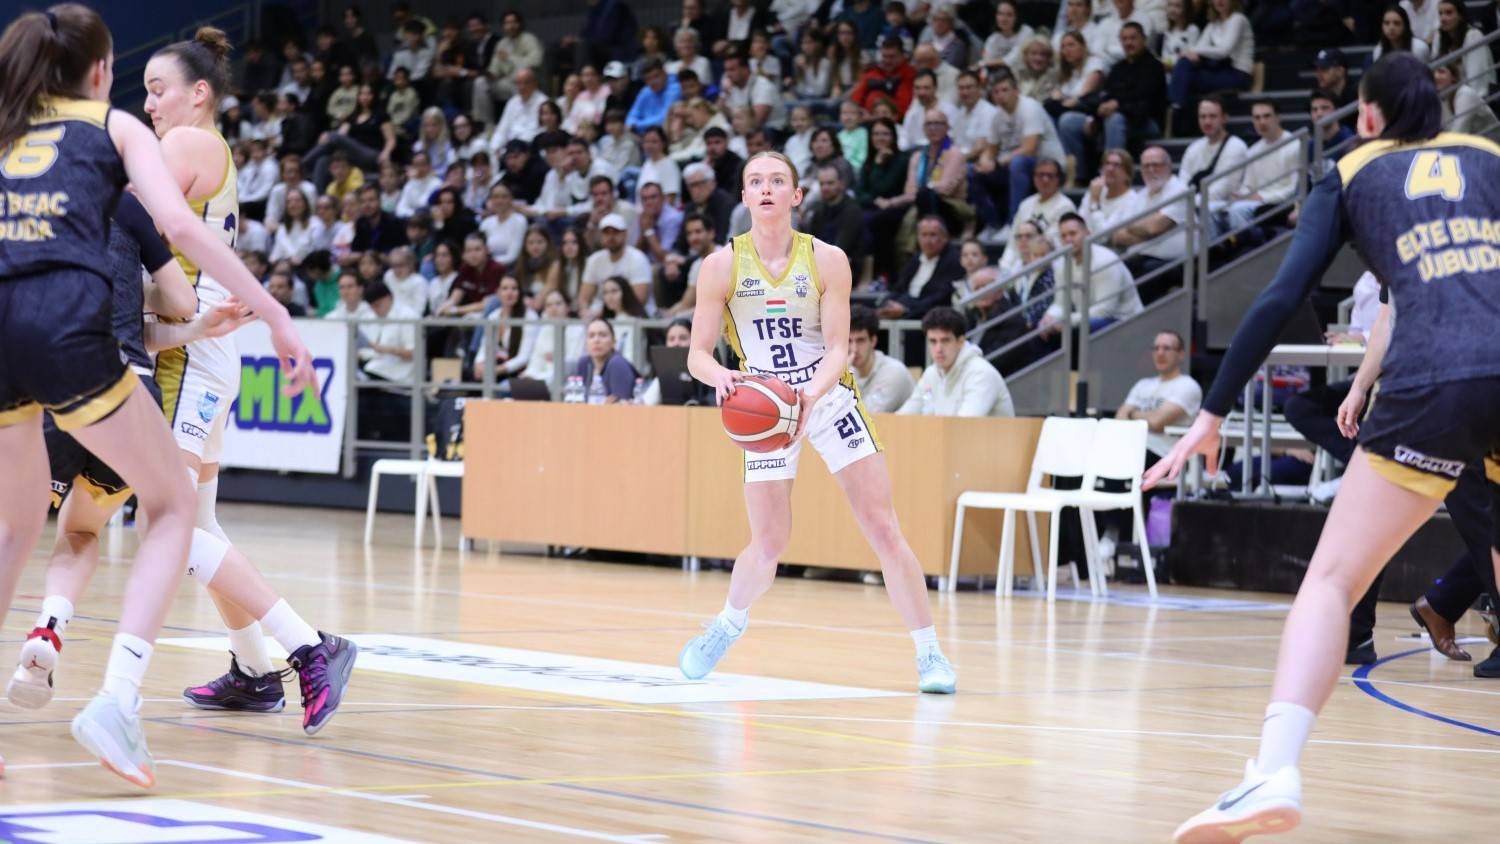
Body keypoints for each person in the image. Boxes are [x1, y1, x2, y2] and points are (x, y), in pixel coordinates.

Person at [1148, 53, 1500, 842]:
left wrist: (1212, 411)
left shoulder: (1347, 172)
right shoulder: (1489, 155)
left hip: (1432, 380)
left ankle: (1273, 771)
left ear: (1367, 114)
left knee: (1333, 580)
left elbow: (1283, 296)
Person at [0, 8, 312, 786]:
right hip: (76, 334)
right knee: (172, 506)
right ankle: (116, 701)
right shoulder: (115, 131)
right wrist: (273, 312)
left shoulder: (9, 133)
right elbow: (179, 226)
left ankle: (249, 664)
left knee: (16, 527)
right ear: (100, 72)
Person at [141, 26, 359, 736]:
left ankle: (309, 646)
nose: (150, 105)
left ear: (199, 93)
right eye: (145, 93)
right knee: (198, 523)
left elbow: (127, 224)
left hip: (191, 344)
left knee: (166, 521)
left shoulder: (185, 143)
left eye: (158, 90)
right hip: (203, 339)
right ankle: (253, 670)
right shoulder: (212, 148)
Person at [680, 151, 959, 694]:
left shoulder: (828, 260)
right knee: (769, 542)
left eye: (777, 180)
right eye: (755, 181)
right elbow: (697, 354)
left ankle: (930, 653)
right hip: (763, 405)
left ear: (796, 195)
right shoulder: (720, 266)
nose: (766, 188)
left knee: (883, 527)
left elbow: (837, 349)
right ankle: (728, 624)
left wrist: (809, 393)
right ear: (744, 197)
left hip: (826, 397)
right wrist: (722, 378)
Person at [898, 308, 1015, 417]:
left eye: (945, 341)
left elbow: (964, 426)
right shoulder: (931, 373)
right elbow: (903, 418)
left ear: (960, 341)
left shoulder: (981, 374)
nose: (938, 349)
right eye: (933, 341)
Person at [848, 305, 915, 413]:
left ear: (873, 341)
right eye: (849, 341)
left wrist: (841, 379)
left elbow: (865, 416)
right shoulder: (847, 370)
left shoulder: (894, 372)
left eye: (860, 341)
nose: (854, 349)